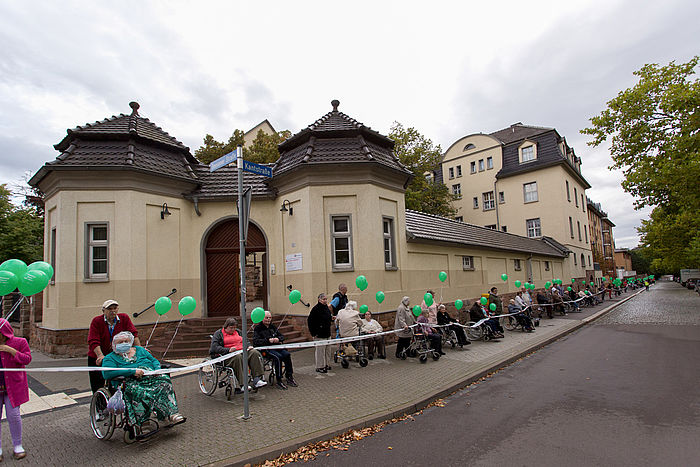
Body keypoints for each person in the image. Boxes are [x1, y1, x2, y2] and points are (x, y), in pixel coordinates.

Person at [101, 331, 183, 427]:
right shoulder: (110, 358)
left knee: (165, 382)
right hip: (129, 381)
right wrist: (132, 371)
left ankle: (171, 413)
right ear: (114, 345)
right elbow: (107, 374)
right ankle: (143, 422)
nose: (124, 344)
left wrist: (157, 370)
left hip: (151, 377)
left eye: (126, 341)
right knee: (139, 392)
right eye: (120, 342)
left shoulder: (139, 350)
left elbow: (154, 360)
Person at [88, 299, 140, 393]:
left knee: (119, 381)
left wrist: (140, 350)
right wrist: (100, 355)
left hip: (116, 356)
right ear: (103, 311)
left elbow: (133, 335)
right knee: (97, 384)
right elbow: (93, 341)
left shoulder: (124, 318)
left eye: (115, 308)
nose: (113, 311)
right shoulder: (97, 321)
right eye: (109, 309)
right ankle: (100, 405)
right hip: (98, 356)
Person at [0, 318, 31, 461]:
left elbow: (27, 359)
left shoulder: (20, 342)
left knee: (13, 416)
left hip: (13, 387)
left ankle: (17, 445)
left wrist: (11, 351)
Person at [209, 317, 267, 392]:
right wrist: (228, 350)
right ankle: (243, 384)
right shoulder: (219, 334)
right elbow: (214, 347)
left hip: (241, 352)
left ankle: (256, 380)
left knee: (254, 353)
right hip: (228, 356)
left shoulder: (238, 332)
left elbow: (245, 340)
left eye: (234, 328)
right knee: (238, 357)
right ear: (226, 327)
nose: (233, 330)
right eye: (231, 328)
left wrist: (249, 346)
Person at [253, 311, 297, 390]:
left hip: (276, 347)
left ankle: (289, 376)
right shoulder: (258, 329)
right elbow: (256, 341)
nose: (268, 319)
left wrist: (278, 339)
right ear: (262, 318)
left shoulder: (272, 326)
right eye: (267, 318)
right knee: (278, 357)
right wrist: (268, 340)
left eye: (270, 318)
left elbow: (281, 336)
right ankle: (279, 380)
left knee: (287, 354)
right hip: (266, 349)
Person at [308, 293, 333, 373]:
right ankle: (319, 366)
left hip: (327, 333)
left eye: (326, 299)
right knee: (320, 352)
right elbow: (310, 321)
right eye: (324, 299)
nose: (325, 301)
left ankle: (327, 364)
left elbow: (328, 317)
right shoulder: (315, 309)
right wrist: (313, 333)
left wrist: (332, 318)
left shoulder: (326, 308)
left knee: (328, 351)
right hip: (319, 334)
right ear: (319, 300)